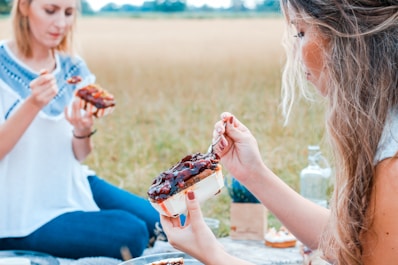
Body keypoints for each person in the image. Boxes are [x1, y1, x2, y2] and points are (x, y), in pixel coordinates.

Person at [160, 0, 398, 264]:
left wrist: (212, 254)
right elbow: (355, 243)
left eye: (301, 32)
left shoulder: (392, 166)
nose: (295, 53)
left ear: (348, 38)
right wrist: (252, 173)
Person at [0, 0, 164, 260]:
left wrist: (83, 131)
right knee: (132, 233)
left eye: (68, 13)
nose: (61, 24)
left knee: (164, 222)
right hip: (20, 205)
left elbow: (80, 154)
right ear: (24, 7)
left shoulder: (73, 69)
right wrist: (32, 104)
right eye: (50, 11)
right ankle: (17, 240)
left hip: (71, 180)